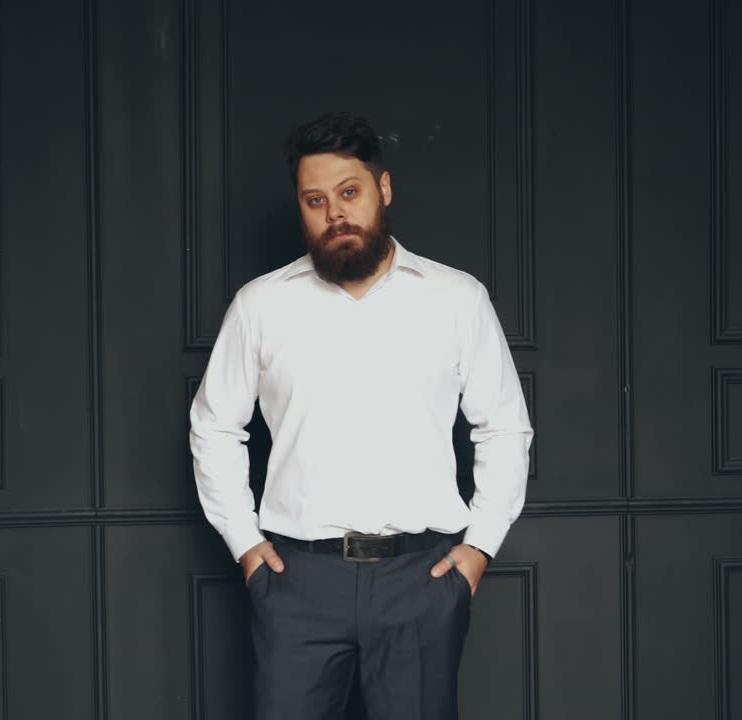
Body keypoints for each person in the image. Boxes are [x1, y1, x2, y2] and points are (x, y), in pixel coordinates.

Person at [189, 111, 533, 720]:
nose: (335, 213)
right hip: (297, 581)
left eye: (349, 192)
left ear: (384, 189)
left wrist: (479, 548)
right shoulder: (260, 306)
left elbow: (504, 426)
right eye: (315, 200)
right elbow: (215, 426)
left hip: (421, 579)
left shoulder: (457, 299)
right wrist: (245, 544)